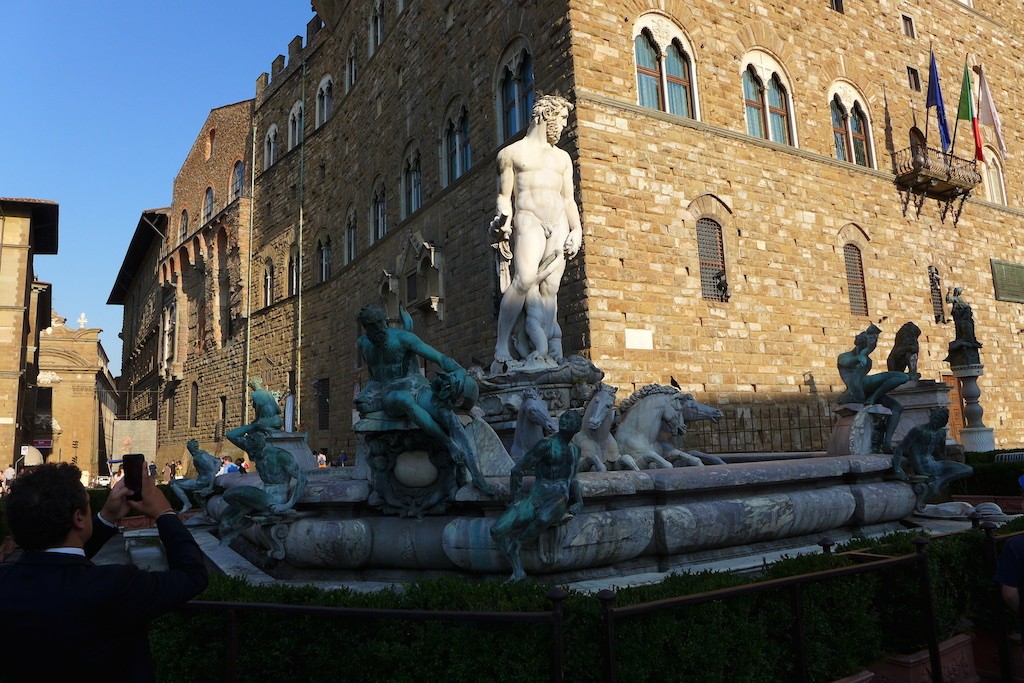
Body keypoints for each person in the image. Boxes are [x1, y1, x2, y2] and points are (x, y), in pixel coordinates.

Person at [0, 463, 207, 680]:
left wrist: (106, 516)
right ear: (78, 518)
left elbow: (59, 565)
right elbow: (192, 575)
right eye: (89, 506)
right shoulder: (116, 585)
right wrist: (165, 514)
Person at [355, 303, 493, 493]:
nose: (377, 328)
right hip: (391, 393)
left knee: (444, 410)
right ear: (366, 327)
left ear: (385, 322)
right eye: (371, 325)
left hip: (416, 386)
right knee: (404, 400)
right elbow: (374, 377)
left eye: (380, 323)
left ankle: (476, 476)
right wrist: (367, 395)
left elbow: (439, 358)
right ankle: (449, 444)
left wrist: (459, 371)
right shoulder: (364, 344)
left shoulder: (403, 338)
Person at [490, 94, 583, 369]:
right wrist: (503, 217)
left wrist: (576, 230)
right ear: (546, 115)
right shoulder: (511, 154)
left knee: (550, 289)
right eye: (562, 119)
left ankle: (544, 349)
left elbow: (568, 199)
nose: (564, 125)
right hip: (528, 218)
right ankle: (502, 344)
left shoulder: (563, 158)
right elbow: (503, 196)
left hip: (558, 222)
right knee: (525, 279)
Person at [490, 409, 584, 581]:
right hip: (536, 496)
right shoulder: (546, 445)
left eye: (570, 419)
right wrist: (516, 499)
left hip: (559, 498)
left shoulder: (576, 450)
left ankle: (517, 544)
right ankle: (518, 571)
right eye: (563, 417)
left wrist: (579, 501)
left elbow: (573, 479)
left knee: (542, 518)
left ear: (577, 427)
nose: (564, 420)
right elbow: (517, 470)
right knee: (496, 531)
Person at [217, 424, 308, 546]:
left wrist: (287, 505)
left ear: (259, 446)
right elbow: (230, 435)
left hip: (275, 500)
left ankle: (241, 515)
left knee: (228, 494)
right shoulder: (255, 452)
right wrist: (254, 426)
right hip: (262, 496)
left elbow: (303, 479)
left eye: (252, 452)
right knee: (224, 516)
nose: (251, 456)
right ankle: (240, 519)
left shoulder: (280, 455)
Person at [836, 324, 910, 453]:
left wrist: (864, 356)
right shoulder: (845, 356)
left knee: (899, 397)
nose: (871, 348)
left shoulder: (867, 360)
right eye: (868, 345)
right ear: (859, 344)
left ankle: (887, 443)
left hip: (868, 388)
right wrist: (859, 357)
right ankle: (872, 398)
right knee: (899, 379)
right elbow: (848, 365)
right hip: (855, 389)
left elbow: (864, 365)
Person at [169, 440, 221, 513]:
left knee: (173, 483)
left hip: (201, 482)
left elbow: (211, 471)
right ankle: (205, 511)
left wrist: (210, 487)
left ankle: (187, 504)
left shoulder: (198, 458)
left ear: (190, 448)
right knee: (195, 493)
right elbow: (218, 461)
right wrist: (214, 473)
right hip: (204, 480)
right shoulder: (203, 453)